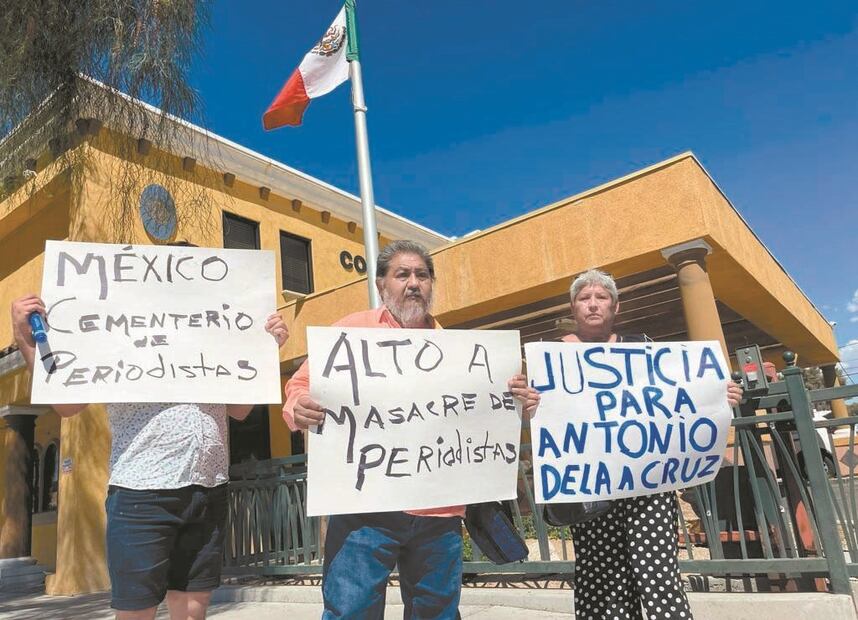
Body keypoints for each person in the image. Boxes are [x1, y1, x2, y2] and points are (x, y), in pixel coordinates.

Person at [283, 239, 539, 619]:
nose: (413, 283)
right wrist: (297, 406)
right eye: (402, 274)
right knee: (350, 611)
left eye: (422, 275)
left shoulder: (462, 352)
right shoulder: (349, 332)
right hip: (363, 512)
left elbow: (484, 416)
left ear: (432, 284)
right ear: (382, 285)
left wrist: (521, 401)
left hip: (439, 515)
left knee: (436, 613)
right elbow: (299, 388)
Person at [10, 290, 289, 620]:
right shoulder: (118, 339)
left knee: (192, 612)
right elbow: (66, 404)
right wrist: (24, 340)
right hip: (140, 495)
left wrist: (266, 351)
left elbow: (241, 410)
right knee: (136, 612)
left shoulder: (215, 342)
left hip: (209, 488)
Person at [546, 269, 743, 620]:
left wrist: (718, 393)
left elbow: (681, 394)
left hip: (648, 488)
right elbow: (543, 411)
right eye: (584, 298)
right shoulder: (552, 356)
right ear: (573, 307)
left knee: (659, 577)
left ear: (615, 307)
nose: (593, 304)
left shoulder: (643, 347)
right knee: (602, 582)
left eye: (601, 297)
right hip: (592, 490)